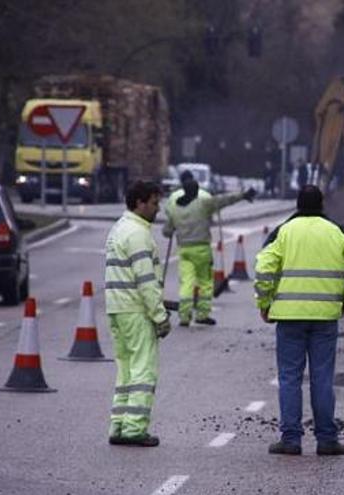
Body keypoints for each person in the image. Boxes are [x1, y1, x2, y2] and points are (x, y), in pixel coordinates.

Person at [254, 186, 344, 456]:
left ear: (297, 204)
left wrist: (264, 303)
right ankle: (327, 440)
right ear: (322, 205)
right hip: (325, 318)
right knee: (322, 379)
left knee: (290, 378)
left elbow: (263, 268)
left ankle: (291, 440)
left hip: (290, 319)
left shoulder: (285, 231)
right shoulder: (335, 232)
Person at [104, 180, 171, 447]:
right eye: (154, 203)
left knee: (126, 372)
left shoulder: (119, 229)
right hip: (136, 311)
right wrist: (160, 317)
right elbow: (146, 282)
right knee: (144, 372)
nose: (158, 208)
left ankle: (118, 425)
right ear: (139, 203)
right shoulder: (138, 234)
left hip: (117, 309)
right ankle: (134, 430)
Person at [162, 171, 256, 326]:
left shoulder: (175, 208)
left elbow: (166, 231)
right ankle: (202, 314)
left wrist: (174, 228)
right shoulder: (203, 204)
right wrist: (243, 195)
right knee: (205, 282)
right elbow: (224, 200)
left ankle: (184, 316)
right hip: (201, 249)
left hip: (184, 250)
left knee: (186, 282)